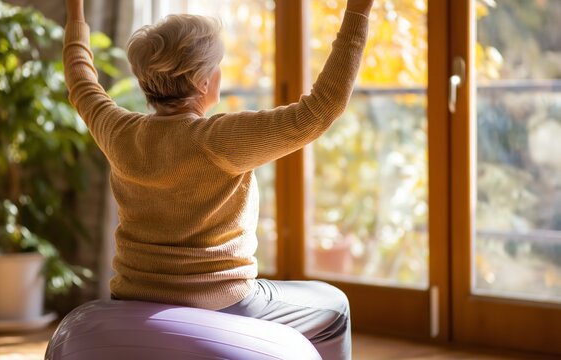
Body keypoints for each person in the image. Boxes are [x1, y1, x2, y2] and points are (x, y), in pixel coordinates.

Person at [63, 0, 372, 358]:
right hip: (223, 304)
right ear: (203, 81)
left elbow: (79, 77)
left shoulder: (118, 132)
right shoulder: (221, 138)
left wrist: (75, 12)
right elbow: (322, 108)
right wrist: (358, 13)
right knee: (335, 305)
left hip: (131, 294)